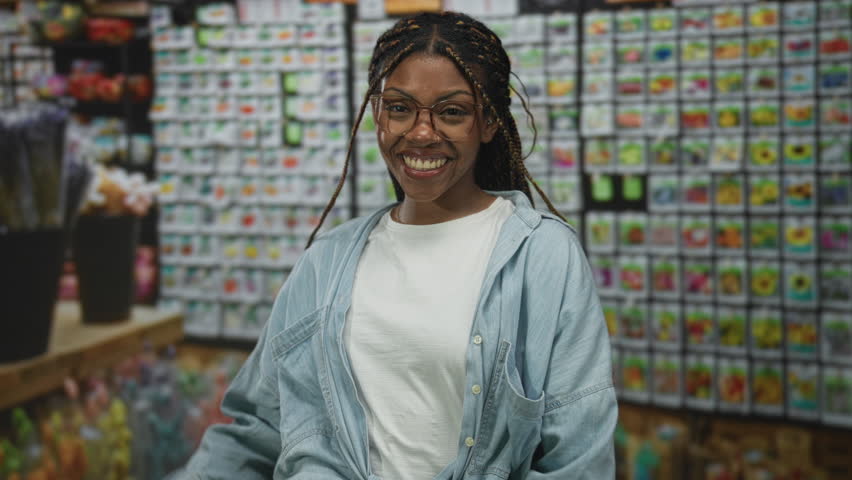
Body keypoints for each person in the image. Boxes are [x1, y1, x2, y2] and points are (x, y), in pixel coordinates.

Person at [182, 11, 617, 479]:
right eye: (400, 107)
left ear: (489, 121)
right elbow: (256, 428)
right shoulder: (326, 262)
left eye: (452, 111)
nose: (422, 133)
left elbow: (577, 456)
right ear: (377, 115)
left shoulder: (542, 257)